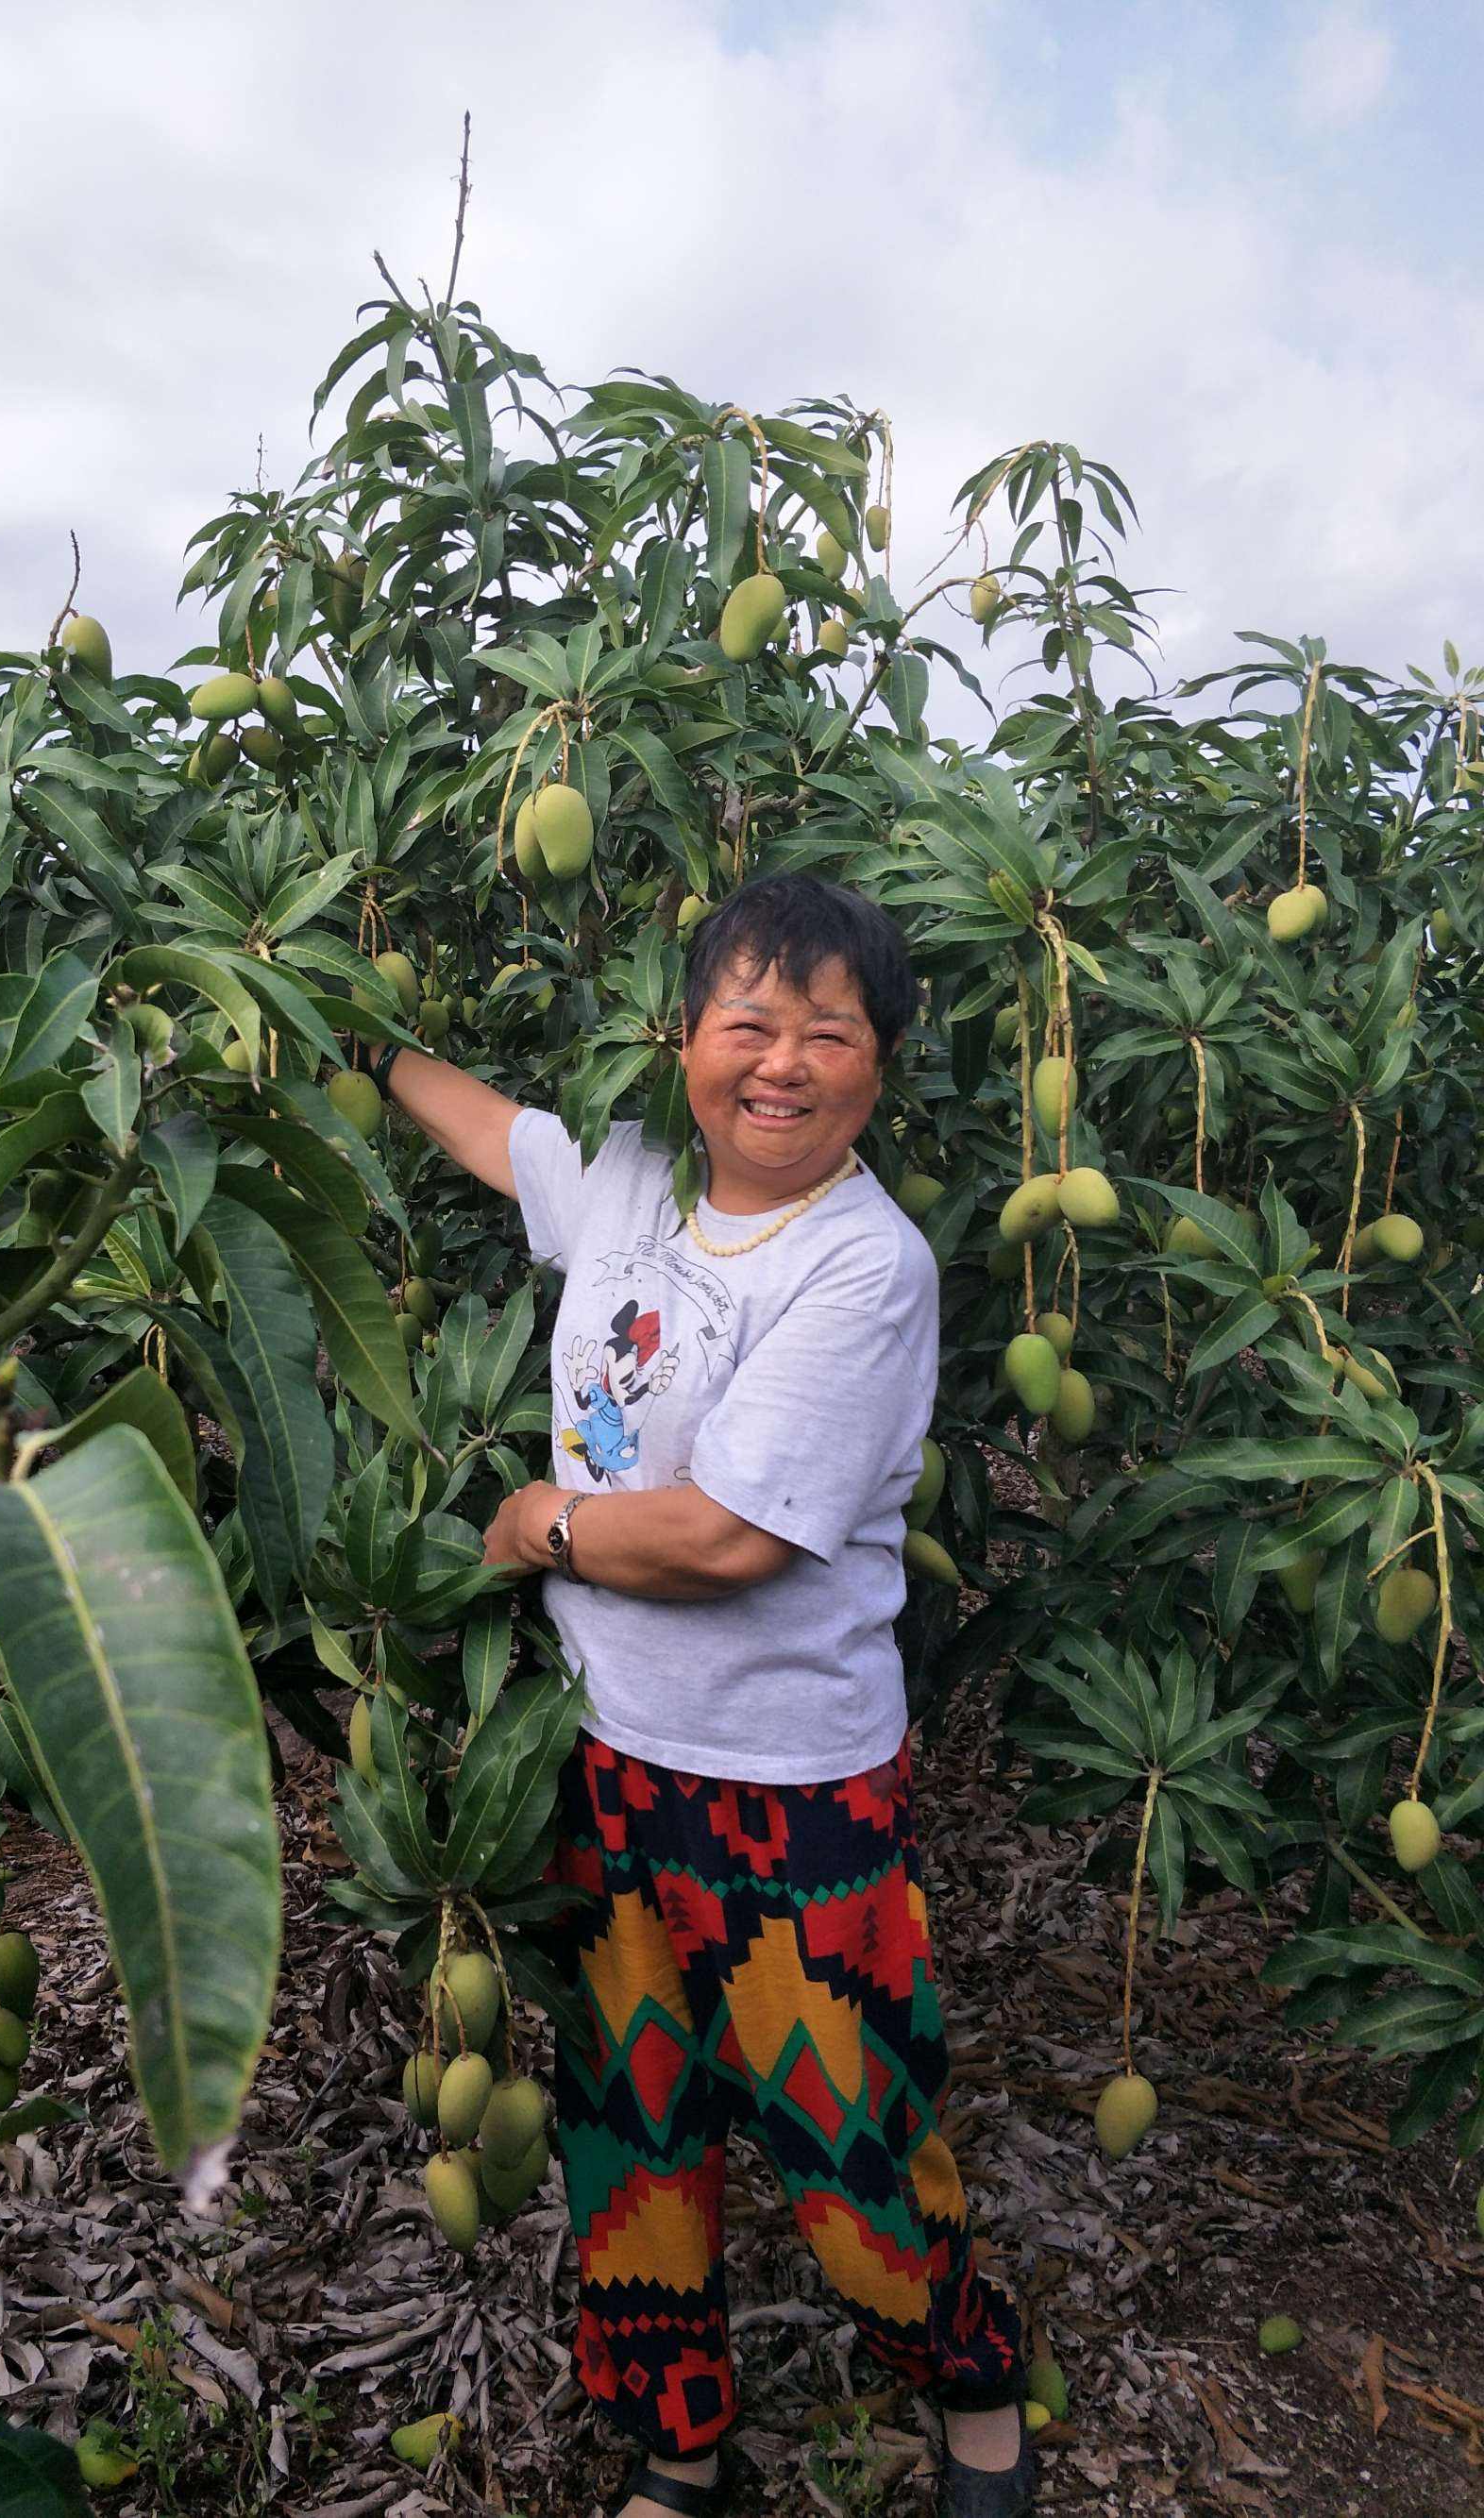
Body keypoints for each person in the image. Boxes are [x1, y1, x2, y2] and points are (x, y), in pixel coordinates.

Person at [364, 872, 1033, 2518]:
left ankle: (978, 2398)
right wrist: (332, 1033)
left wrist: (542, 1528)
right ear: (685, 1039)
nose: (782, 1064)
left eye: (829, 1032)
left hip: (789, 1795)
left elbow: (730, 1538)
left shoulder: (865, 1268)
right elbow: (492, 1130)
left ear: (882, 1063)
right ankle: (679, 2437)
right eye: (750, 1023)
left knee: (848, 2135)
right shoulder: (632, 1177)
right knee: (627, 2130)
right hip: (599, 1769)